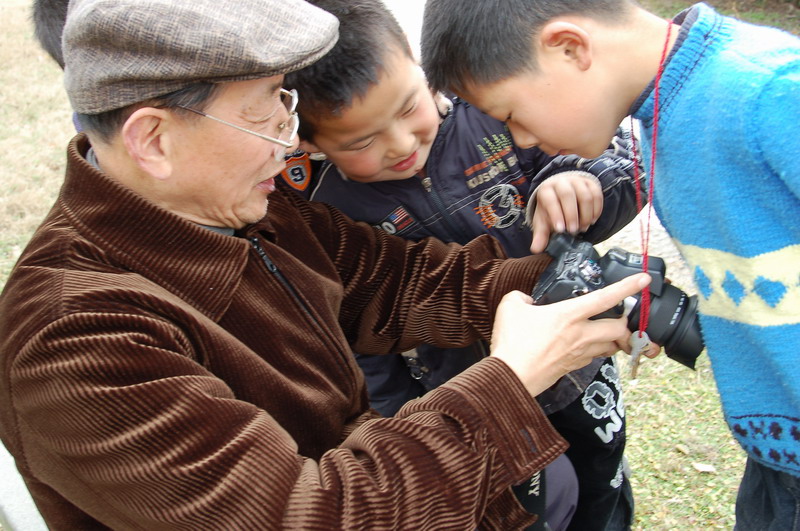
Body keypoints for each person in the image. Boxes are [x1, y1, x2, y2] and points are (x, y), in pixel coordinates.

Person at [0, 0, 652, 528]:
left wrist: (572, 285)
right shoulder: (73, 339)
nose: (290, 143)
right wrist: (508, 380)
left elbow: (401, 282)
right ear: (153, 140)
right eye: (267, 112)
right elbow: (312, 514)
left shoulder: (241, 208)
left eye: (290, 105)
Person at [419, 0, 800, 528]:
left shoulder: (772, 93)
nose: (522, 139)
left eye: (509, 114)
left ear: (570, 47)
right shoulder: (667, 114)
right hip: (776, 467)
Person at [282, 1, 644, 528]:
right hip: (469, 400)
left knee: (601, 478)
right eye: (362, 141)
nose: (402, 144)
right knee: (525, 508)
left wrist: (578, 180)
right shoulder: (331, 215)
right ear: (309, 144)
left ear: (422, 71)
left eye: (409, 108)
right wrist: (397, 416)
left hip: (577, 363)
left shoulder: (499, 116)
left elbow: (625, 160)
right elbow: (363, 347)